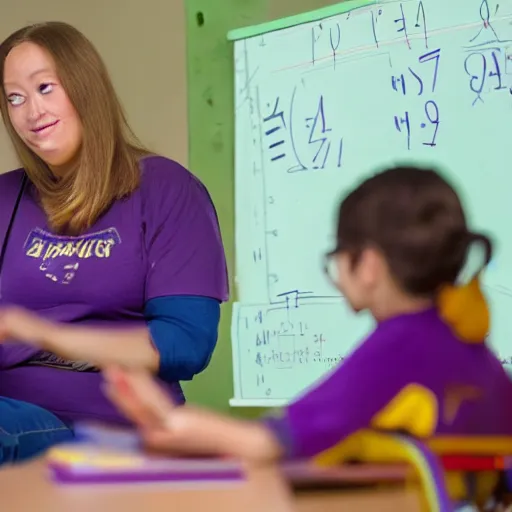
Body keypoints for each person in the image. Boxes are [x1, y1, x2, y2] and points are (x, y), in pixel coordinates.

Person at [104, 166, 512, 508]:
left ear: (368, 265)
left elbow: (271, 441)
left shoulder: (399, 348)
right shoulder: (476, 354)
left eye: (337, 255)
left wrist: (167, 418)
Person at [0, 21, 228, 465]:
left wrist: (46, 335)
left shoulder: (167, 189)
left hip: (108, 428)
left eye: (45, 87)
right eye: (14, 98)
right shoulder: (4, 197)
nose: (31, 111)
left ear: (86, 87)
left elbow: (186, 343)